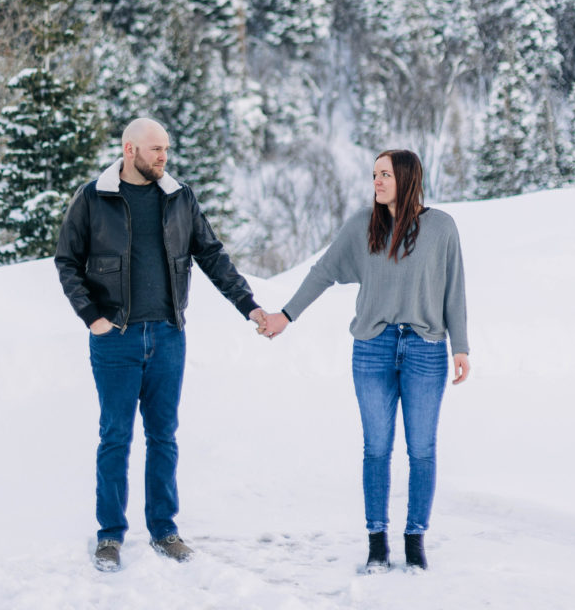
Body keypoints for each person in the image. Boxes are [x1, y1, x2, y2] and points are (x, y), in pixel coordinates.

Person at [55, 117, 267, 572]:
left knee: (163, 437)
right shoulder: (94, 198)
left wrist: (248, 305)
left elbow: (212, 254)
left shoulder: (179, 197)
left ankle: (164, 530)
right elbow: (67, 261)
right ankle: (110, 535)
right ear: (129, 150)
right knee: (115, 436)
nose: (164, 156)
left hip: (169, 335)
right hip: (116, 338)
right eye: (156, 149)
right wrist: (91, 317)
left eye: (166, 149)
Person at [262, 149, 469, 572]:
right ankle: (377, 543)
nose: (376, 182)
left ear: (408, 178)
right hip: (373, 347)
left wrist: (460, 346)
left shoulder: (442, 227)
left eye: (385, 175)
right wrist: (286, 315)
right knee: (376, 448)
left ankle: (414, 541)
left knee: (422, 449)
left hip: (426, 350)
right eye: (374, 174)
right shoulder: (363, 225)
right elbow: (323, 271)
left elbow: (454, 289)